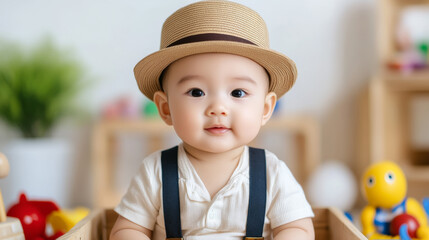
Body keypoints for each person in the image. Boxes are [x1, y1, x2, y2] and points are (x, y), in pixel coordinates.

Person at [110, 1, 314, 239]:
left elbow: (298, 229)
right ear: (165, 108)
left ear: (266, 108)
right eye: (196, 92)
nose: (218, 108)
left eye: (238, 93)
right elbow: (126, 230)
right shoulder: (155, 172)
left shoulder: (271, 173)